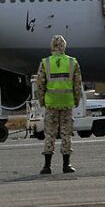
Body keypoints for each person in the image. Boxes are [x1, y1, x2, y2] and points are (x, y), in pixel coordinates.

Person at [35, 34, 83, 174]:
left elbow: (40, 85)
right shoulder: (72, 62)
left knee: (50, 134)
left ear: (52, 47)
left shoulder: (45, 63)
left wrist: (42, 100)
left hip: (51, 103)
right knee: (66, 134)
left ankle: (47, 166)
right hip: (67, 103)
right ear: (64, 46)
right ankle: (66, 165)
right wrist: (76, 100)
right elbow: (77, 84)